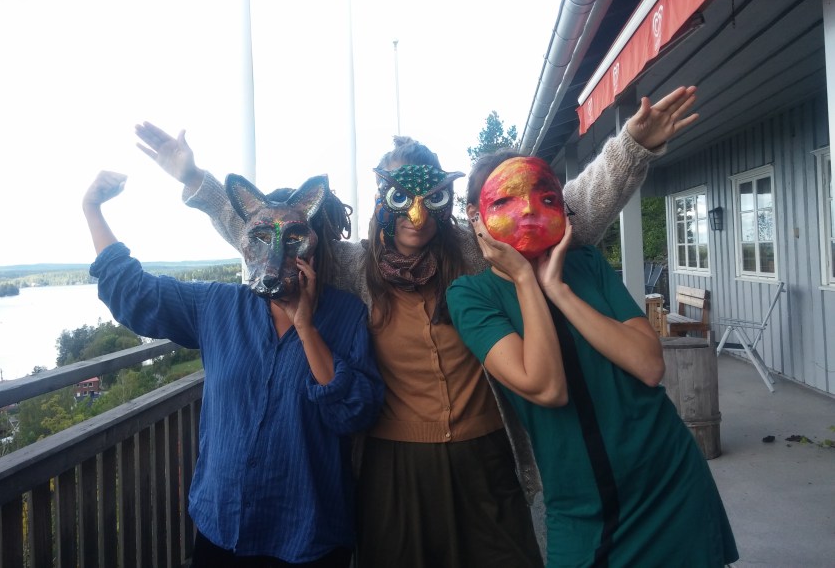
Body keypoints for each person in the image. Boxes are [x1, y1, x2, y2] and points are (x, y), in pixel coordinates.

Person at [134, 86, 701, 567]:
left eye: (432, 197)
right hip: (393, 467)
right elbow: (269, 239)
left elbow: (560, 209)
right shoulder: (352, 267)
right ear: (382, 197)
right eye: (402, 196)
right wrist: (198, 182)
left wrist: (631, 148)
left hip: (485, 457)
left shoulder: (475, 251)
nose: (417, 214)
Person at [446, 152, 739, 567]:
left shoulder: (587, 265)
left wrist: (559, 290)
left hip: (668, 479)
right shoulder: (471, 296)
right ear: (475, 216)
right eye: (505, 200)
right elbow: (547, 388)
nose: (528, 210)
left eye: (546, 198)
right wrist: (526, 280)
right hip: (577, 505)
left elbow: (649, 365)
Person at [82, 170, 384, 568]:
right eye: (261, 237)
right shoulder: (217, 306)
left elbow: (354, 413)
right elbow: (134, 293)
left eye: (294, 239)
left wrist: (306, 329)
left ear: (316, 247)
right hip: (223, 525)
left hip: (308, 532)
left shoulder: (346, 316)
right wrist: (92, 210)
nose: (276, 254)